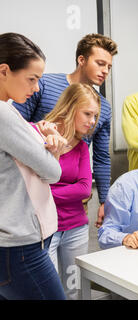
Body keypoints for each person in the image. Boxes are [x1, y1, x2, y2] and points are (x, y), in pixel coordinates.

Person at [13, 33, 118, 228]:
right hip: (35, 193)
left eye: (109, 67)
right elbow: (15, 124)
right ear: (82, 60)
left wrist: (104, 201)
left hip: (73, 200)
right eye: (100, 63)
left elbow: (102, 157)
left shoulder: (104, 107)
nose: (105, 71)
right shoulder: (43, 84)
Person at [0, 32, 67, 300]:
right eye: (32, 78)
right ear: (4, 70)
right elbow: (52, 172)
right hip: (20, 249)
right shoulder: (3, 114)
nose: (37, 88)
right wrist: (55, 151)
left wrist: (37, 135)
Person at [33, 83, 100, 299]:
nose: (92, 122)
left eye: (95, 116)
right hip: (45, 231)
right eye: (87, 113)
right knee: (49, 293)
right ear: (71, 107)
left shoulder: (81, 147)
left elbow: (83, 189)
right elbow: (30, 182)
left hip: (76, 229)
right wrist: (42, 191)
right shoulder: (39, 134)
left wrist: (44, 193)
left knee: (75, 289)